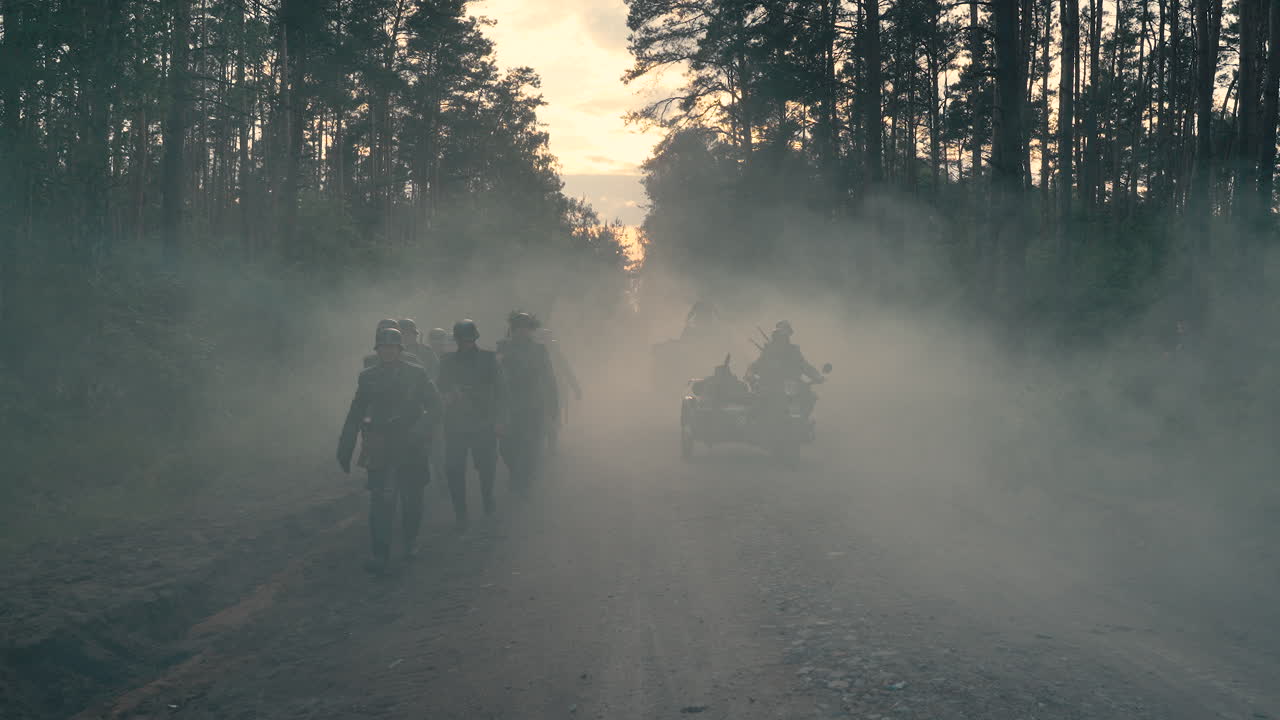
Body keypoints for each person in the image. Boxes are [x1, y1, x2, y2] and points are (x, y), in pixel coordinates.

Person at [337, 327, 441, 574]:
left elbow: (435, 407)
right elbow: (356, 412)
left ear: (399, 350)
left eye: (392, 347)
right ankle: (380, 553)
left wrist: (420, 430)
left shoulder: (417, 374)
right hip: (380, 443)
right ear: (377, 350)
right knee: (380, 501)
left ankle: (410, 542)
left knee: (412, 497)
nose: (387, 351)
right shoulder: (368, 377)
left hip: (411, 442)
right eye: (383, 347)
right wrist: (346, 444)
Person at [436, 319, 504, 530]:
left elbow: (501, 391)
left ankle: (488, 502)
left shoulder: (489, 358)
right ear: (456, 340)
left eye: (469, 339)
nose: (466, 343)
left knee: (486, 467)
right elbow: (440, 387)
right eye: (462, 339)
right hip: (455, 424)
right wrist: (450, 395)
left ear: (475, 338)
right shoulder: (446, 361)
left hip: (483, 421)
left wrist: (500, 419)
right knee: (454, 469)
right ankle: (461, 514)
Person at [497, 312, 558, 494]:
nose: (522, 331)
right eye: (518, 327)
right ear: (512, 329)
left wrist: (553, 405)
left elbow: (549, 377)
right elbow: (495, 375)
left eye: (526, 327)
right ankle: (515, 472)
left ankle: (526, 480)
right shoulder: (503, 347)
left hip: (534, 405)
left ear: (531, 329)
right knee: (507, 447)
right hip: (509, 405)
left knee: (531, 446)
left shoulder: (540, 349)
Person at [536, 327, 581, 454]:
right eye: (543, 339)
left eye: (547, 339)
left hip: (555, 390)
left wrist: (576, 387)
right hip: (538, 391)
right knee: (542, 418)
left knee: (553, 417)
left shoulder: (555, 352)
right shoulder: (535, 351)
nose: (546, 341)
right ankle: (542, 443)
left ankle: (551, 444)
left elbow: (566, 369)